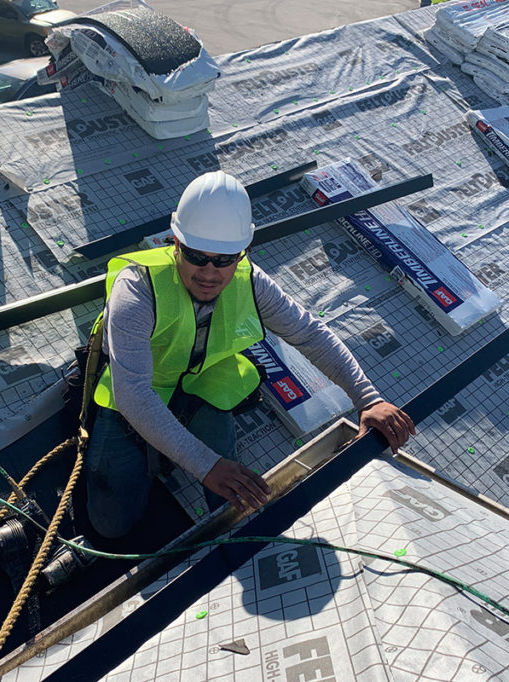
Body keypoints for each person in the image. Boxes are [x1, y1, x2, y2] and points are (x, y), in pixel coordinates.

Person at [85, 170, 414, 539]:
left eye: (225, 259)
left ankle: (225, 531)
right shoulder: (137, 287)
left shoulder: (251, 280)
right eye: (197, 255)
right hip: (137, 397)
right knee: (111, 524)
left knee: (232, 504)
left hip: (201, 389)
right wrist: (207, 465)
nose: (210, 272)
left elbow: (308, 332)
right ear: (175, 241)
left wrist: (367, 398)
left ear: (244, 252)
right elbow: (134, 393)